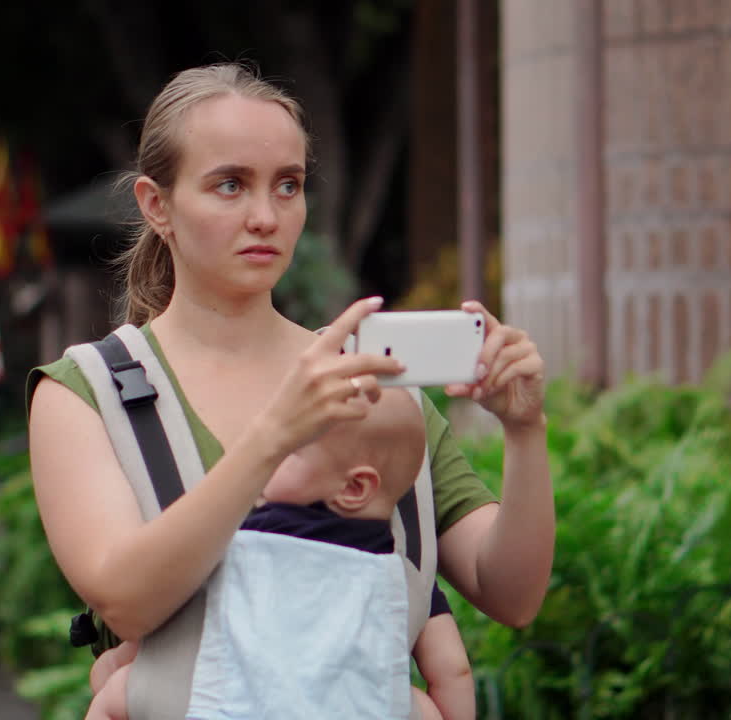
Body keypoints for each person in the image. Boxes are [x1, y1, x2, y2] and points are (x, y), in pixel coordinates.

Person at [29, 62, 552, 715]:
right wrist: (275, 438)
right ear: (156, 205)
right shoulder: (91, 391)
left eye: (288, 185)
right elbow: (124, 599)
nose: (265, 215)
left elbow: (512, 593)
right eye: (229, 185)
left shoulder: (374, 384)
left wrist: (525, 431)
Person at [85, 389, 475, 720]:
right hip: (357, 706)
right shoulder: (401, 575)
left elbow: (183, 605)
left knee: (114, 695)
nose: (266, 456)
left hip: (240, 700)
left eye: (287, 450)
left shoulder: (248, 534)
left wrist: (123, 659)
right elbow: (452, 669)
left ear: (354, 487)